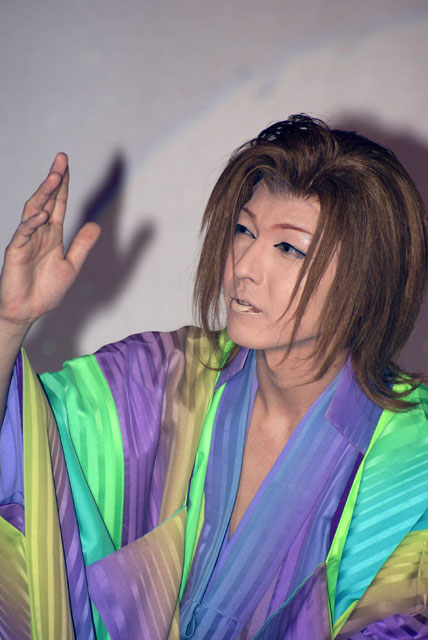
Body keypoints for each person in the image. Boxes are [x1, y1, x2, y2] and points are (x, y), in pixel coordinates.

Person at [0, 114, 428, 640]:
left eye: (289, 248)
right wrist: (9, 322)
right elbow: (23, 449)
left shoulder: (414, 455)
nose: (243, 265)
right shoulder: (166, 379)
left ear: (367, 278)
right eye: (244, 230)